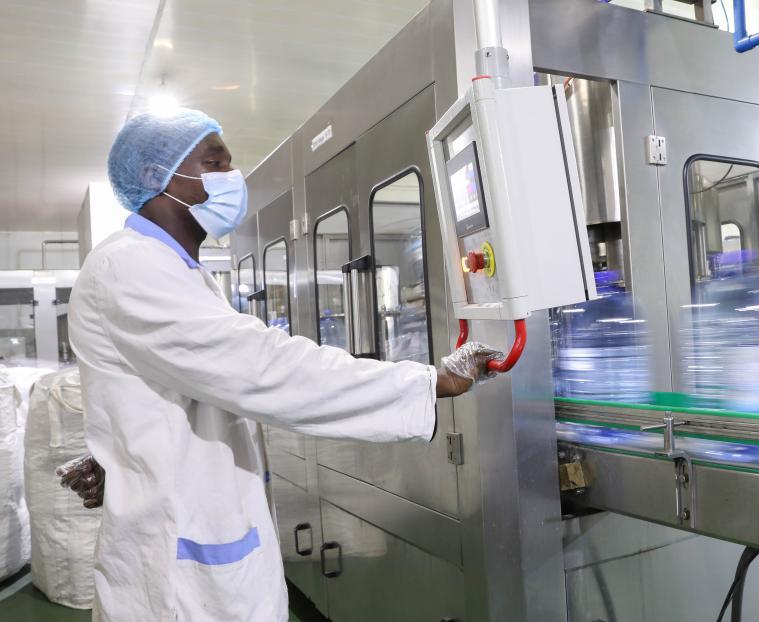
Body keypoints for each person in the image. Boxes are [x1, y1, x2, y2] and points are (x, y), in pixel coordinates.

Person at [68, 108, 500, 621]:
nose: (232, 177)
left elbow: (165, 390)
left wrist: (119, 450)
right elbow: (262, 367)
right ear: (153, 176)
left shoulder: (178, 272)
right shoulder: (130, 266)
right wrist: (431, 381)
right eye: (214, 163)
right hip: (176, 571)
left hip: (201, 531)